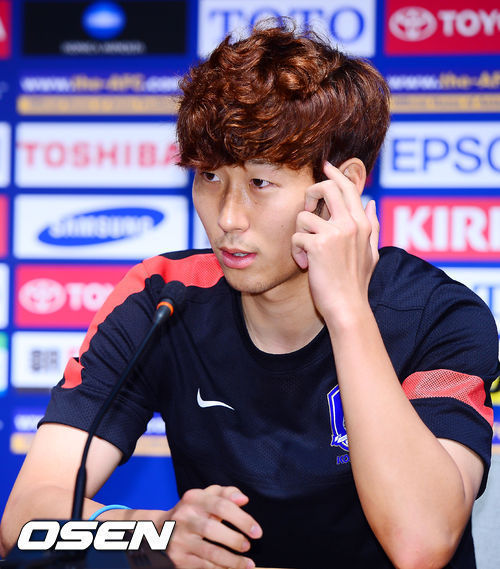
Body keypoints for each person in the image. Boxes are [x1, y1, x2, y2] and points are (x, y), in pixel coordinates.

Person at [1, 21, 499, 569]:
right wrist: (150, 534)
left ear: (342, 187)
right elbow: (23, 521)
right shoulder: (161, 302)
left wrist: (347, 313)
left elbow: (423, 545)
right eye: (210, 177)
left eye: (261, 183)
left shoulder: (438, 316)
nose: (228, 219)